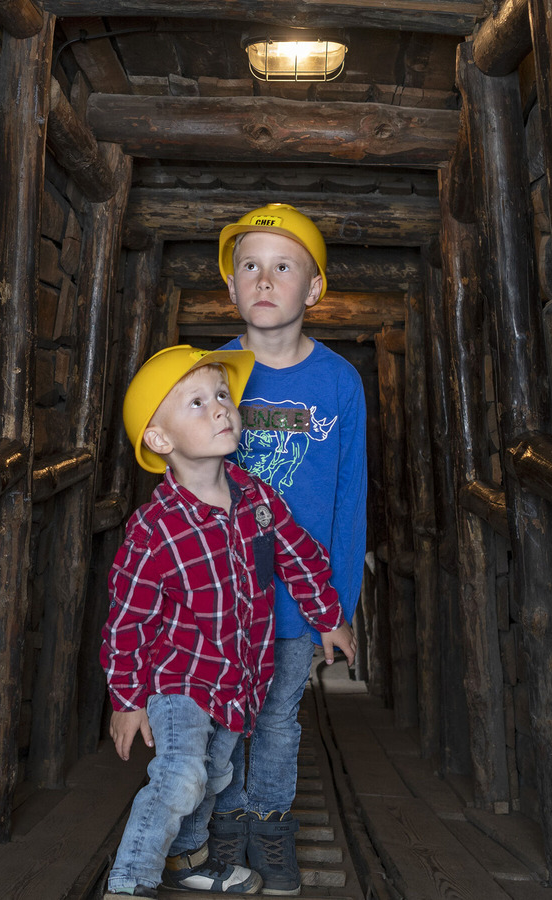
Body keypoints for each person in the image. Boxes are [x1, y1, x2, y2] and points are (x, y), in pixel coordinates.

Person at [102, 345, 355, 899]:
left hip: (238, 678)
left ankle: (187, 859)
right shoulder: (153, 528)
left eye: (222, 396)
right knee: (182, 774)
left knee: (215, 776)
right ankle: (128, 881)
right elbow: (128, 621)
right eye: (197, 402)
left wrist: (329, 618)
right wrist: (127, 699)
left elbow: (301, 556)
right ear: (160, 440)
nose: (220, 409)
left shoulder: (258, 500)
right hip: (180, 680)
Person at [207, 204, 367, 896]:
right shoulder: (211, 375)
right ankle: (222, 835)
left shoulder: (339, 384)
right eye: (250, 266)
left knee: (275, 718)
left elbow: (348, 501)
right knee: (220, 718)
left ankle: (267, 833)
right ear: (233, 288)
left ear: (313, 290)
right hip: (221, 594)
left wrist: (339, 608)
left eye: (282, 266)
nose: (264, 279)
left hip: (299, 596)